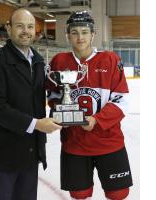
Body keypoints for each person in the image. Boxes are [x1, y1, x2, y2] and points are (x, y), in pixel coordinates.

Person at [46, 11, 133, 200]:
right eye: (75, 32)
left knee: (119, 193)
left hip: (108, 141)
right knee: (79, 194)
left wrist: (97, 119)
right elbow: (52, 95)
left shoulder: (110, 59)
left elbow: (121, 100)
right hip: (74, 143)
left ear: (93, 34)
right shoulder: (59, 61)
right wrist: (60, 114)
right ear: (67, 35)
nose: (80, 37)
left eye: (84, 32)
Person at [0, 8, 62, 200]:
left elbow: (42, 99)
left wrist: (62, 107)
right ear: (8, 29)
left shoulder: (39, 62)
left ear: (35, 31)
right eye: (20, 26)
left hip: (30, 154)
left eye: (30, 27)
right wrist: (36, 124)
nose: (26, 31)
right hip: (2, 156)